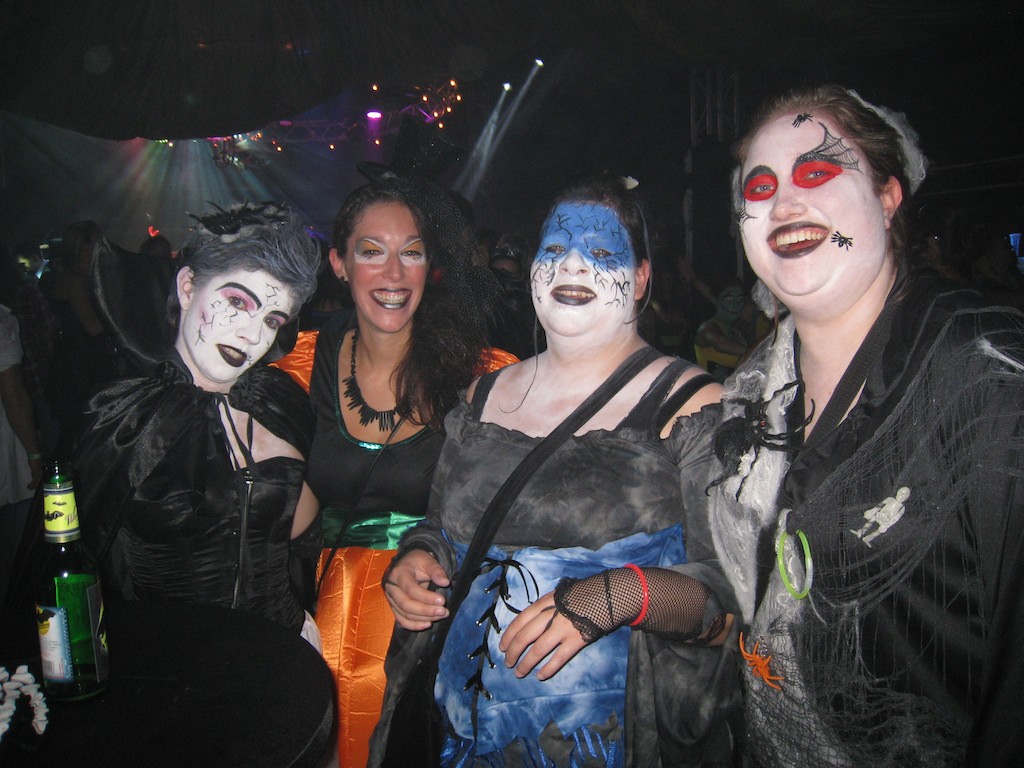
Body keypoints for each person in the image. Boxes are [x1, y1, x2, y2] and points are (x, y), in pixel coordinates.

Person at [373, 174, 740, 766]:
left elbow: (728, 605)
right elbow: (440, 527)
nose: (572, 264)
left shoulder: (692, 406)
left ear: (640, 278)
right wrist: (417, 560)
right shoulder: (482, 396)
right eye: (555, 248)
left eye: (601, 251)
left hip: (607, 745)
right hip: (456, 737)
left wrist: (619, 595)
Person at [708, 85, 1024, 767]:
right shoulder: (749, 392)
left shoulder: (991, 380)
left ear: (887, 196)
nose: (783, 203)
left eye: (817, 171)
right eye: (760, 187)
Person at [293, 175, 515, 768]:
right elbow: (285, 512)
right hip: (325, 617)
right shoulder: (300, 364)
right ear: (339, 264)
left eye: (411, 253)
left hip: (435, 622)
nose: (393, 274)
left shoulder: (483, 376)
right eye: (372, 251)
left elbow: (510, 515)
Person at [72, 203, 322, 643]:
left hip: (287, 650)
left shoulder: (278, 404)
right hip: (172, 667)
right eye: (237, 302)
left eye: (272, 320)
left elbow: (302, 535)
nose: (253, 335)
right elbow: (74, 566)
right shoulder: (126, 415)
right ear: (187, 286)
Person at [694, 281, 751, 381]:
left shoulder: (736, 330)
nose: (736, 304)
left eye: (740, 299)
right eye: (729, 299)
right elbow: (718, 342)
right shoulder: (707, 328)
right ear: (717, 300)